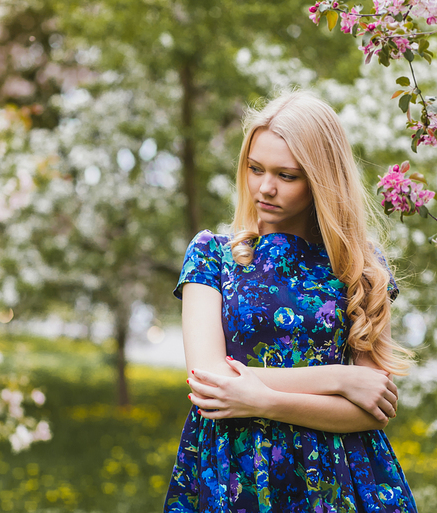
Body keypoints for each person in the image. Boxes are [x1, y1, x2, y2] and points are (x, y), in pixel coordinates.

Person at [164, 91, 417, 512]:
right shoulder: (212, 255)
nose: (265, 187)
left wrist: (263, 400)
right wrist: (340, 379)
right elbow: (209, 381)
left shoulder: (361, 267)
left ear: (321, 180)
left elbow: (372, 408)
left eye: (287, 175)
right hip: (237, 472)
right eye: (255, 168)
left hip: (337, 478)